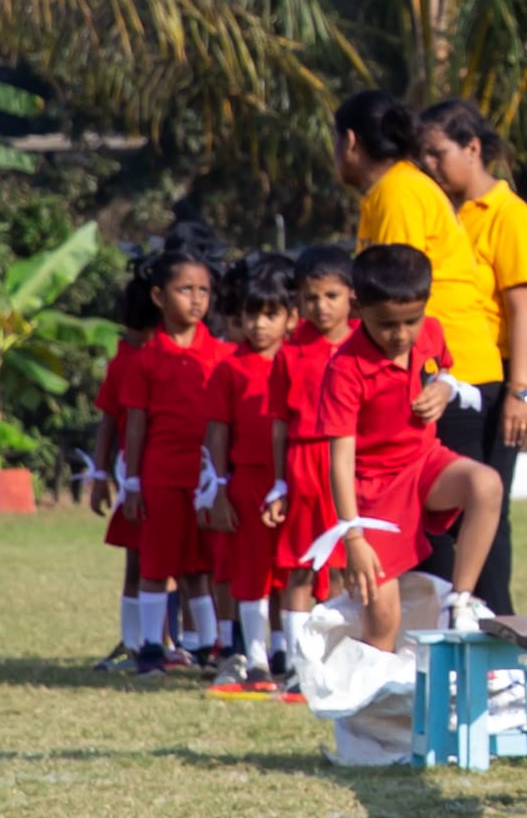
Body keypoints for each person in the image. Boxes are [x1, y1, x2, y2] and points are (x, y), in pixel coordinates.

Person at [334, 90, 506, 588]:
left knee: (446, 521)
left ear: (349, 142)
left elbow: (396, 290)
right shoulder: (401, 188)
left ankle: (467, 619)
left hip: (434, 372)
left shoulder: (398, 192)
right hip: (438, 365)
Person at [311, 248, 503, 646]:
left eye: (410, 321)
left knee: (486, 484)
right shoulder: (345, 370)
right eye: (386, 324)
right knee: (383, 615)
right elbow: (340, 461)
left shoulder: (430, 331)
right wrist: (354, 537)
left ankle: (460, 601)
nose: (400, 335)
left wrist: (445, 387)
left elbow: (444, 368)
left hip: (425, 465)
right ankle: (372, 701)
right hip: (374, 493)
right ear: (357, 307)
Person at [417, 100, 527, 613]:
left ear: (473, 148)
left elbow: (522, 310)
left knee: (489, 506)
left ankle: (496, 616)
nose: (428, 165)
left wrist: (520, 392)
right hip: (452, 376)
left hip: (494, 383)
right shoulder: (449, 213)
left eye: (437, 152)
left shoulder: (509, 216)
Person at [115, 241, 230, 680]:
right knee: (155, 564)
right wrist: (132, 482)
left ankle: (207, 646)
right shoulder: (145, 359)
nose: (196, 299)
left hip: (203, 478)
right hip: (161, 475)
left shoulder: (222, 355)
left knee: (200, 565)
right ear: (159, 296)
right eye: (185, 289)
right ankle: (148, 647)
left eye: (203, 290)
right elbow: (136, 424)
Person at [205, 257, 296, 697]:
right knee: (251, 573)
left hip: (293, 481)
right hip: (248, 482)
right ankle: (255, 656)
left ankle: (285, 653)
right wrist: (220, 487)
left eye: (269, 314)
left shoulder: (298, 362)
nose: (259, 325)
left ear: (289, 318)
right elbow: (218, 432)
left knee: (288, 572)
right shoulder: (230, 368)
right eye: (250, 315)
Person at [271, 246, 360, 652]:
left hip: (353, 465)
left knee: (346, 565)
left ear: (351, 296)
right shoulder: (289, 352)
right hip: (305, 465)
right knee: (301, 567)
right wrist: (279, 484)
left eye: (331, 296)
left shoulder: (365, 345)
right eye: (311, 298)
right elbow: (279, 424)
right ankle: (296, 664)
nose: (321, 307)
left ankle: (341, 656)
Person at [85, 258, 161, 672]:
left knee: (157, 565)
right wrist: (102, 475)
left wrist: (100, 475)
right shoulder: (130, 362)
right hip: (138, 476)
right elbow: (111, 420)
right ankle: (138, 641)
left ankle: (150, 640)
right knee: (142, 563)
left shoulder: (144, 359)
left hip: (167, 474)